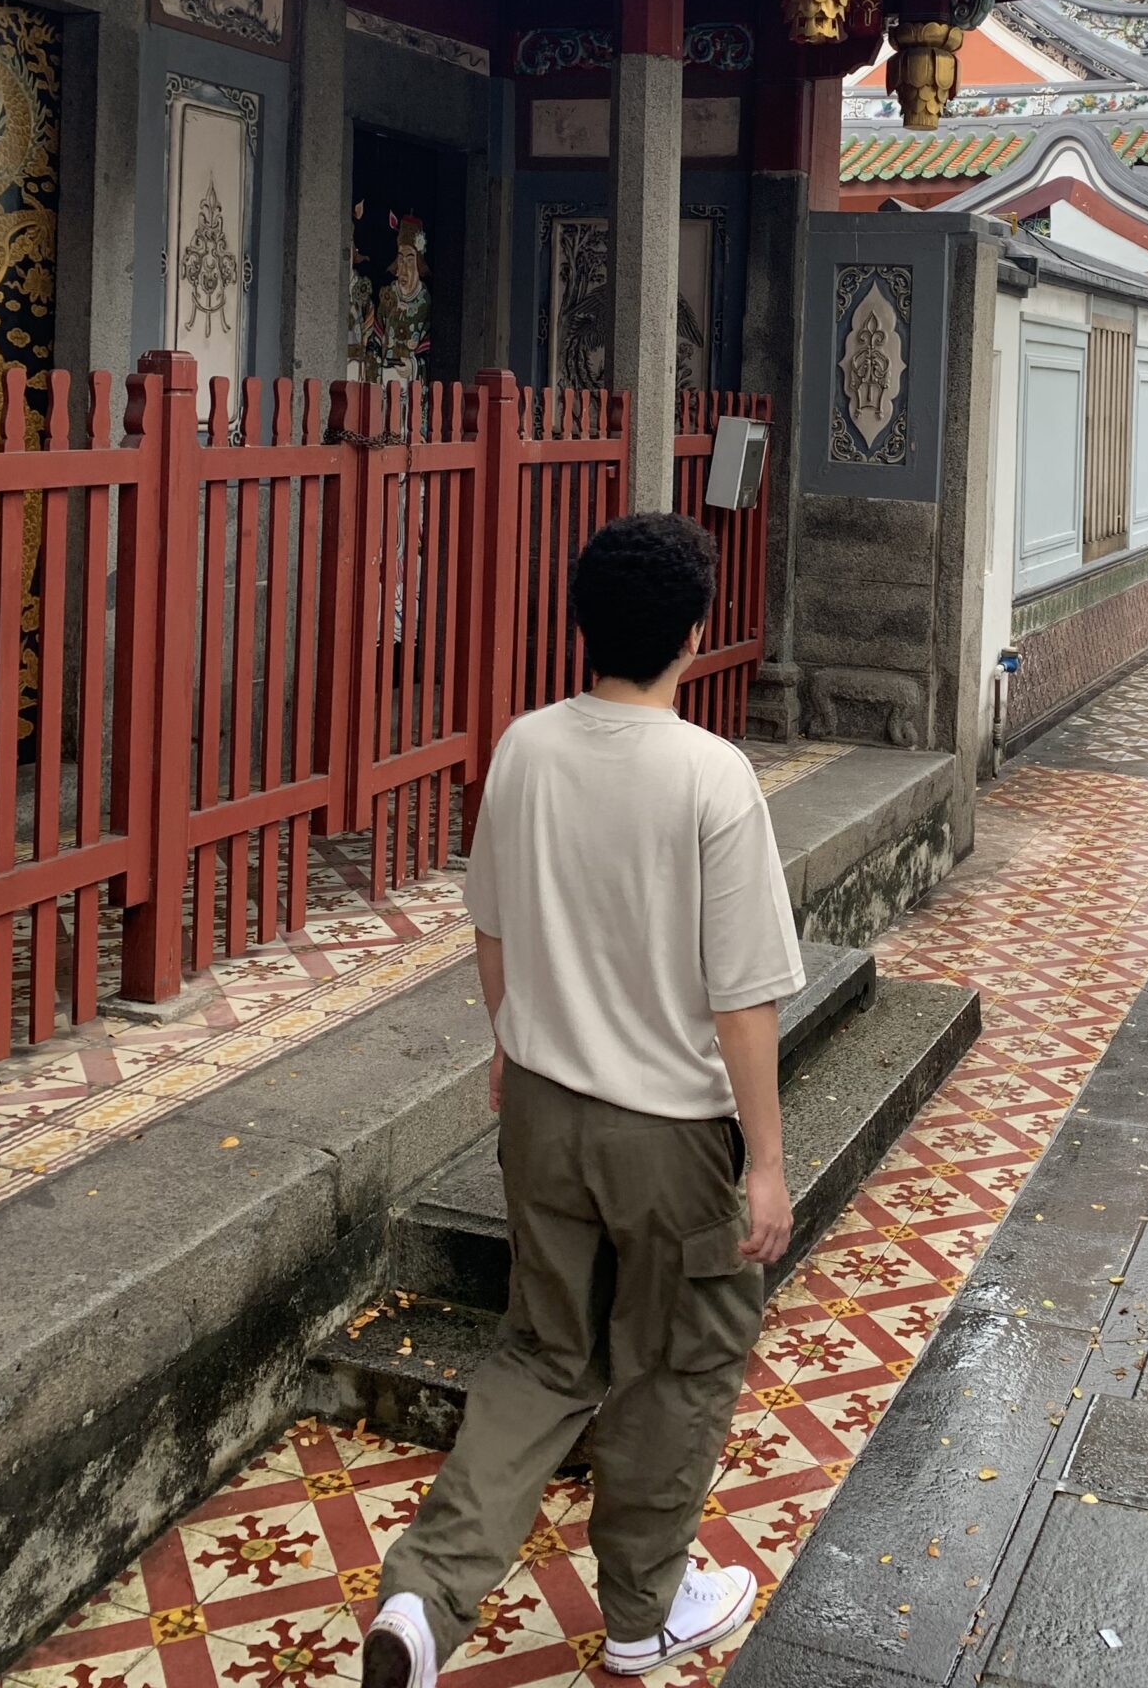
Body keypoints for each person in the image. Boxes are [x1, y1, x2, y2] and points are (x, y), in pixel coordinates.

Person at [364, 512, 806, 1688]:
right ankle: (642, 1607)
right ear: (695, 632)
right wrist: (763, 1158)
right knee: (678, 1355)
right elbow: (745, 999)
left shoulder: (526, 748)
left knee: (542, 1352)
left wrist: (514, 1044)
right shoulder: (714, 776)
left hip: (543, 1109)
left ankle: (423, 1592)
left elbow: (492, 925)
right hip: (667, 1130)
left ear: (581, 625)